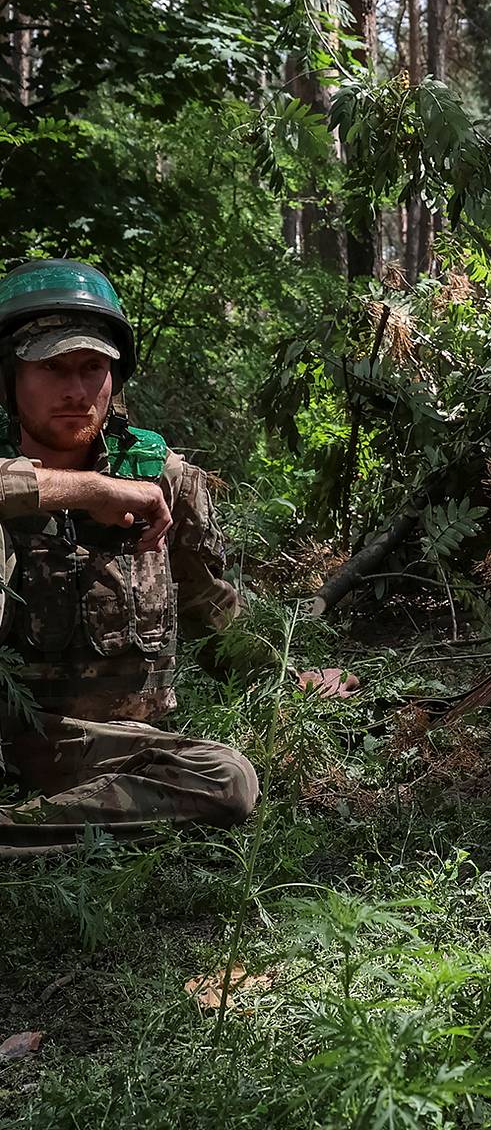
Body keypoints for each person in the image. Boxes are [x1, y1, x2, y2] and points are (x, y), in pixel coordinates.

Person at [0, 258, 258, 854]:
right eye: (52, 369)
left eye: (93, 368)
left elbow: (209, 606)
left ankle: (18, 832)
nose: (76, 391)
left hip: (111, 751)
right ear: (10, 378)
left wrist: (291, 676)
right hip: (7, 732)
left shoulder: (161, 482)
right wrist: (92, 491)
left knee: (228, 782)